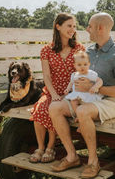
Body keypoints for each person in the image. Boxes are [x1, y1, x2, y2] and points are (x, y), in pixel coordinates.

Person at [49, 12, 115, 178]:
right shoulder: (88, 51)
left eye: (90, 26)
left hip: (110, 100)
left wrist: (95, 88)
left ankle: (93, 162)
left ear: (100, 28)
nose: (86, 29)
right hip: (87, 97)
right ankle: (72, 156)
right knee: (55, 107)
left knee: (83, 111)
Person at [29, 13, 85, 163]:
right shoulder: (47, 50)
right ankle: (41, 147)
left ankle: (51, 147)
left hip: (72, 92)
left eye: (74, 26)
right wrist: (53, 94)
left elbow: (81, 73)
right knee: (41, 108)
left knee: (54, 109)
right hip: (53, 91)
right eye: (69, 26)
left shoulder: (79, 48)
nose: (72, 29)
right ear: (58, 26)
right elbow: (46, 76)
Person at [64, 51, 103, 119]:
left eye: (85, 64)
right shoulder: (74, 75)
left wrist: (95, 87)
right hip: (77, 94)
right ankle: (78, 115)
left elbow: (100, 81)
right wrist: (68, 89)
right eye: (79, 65)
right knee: (73, 102)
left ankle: (81, 117)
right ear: (75, 65)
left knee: (86, 106)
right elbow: (71, 82)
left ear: (89, 64)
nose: (82, 67)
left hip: (88, 95)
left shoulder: (90, 74)